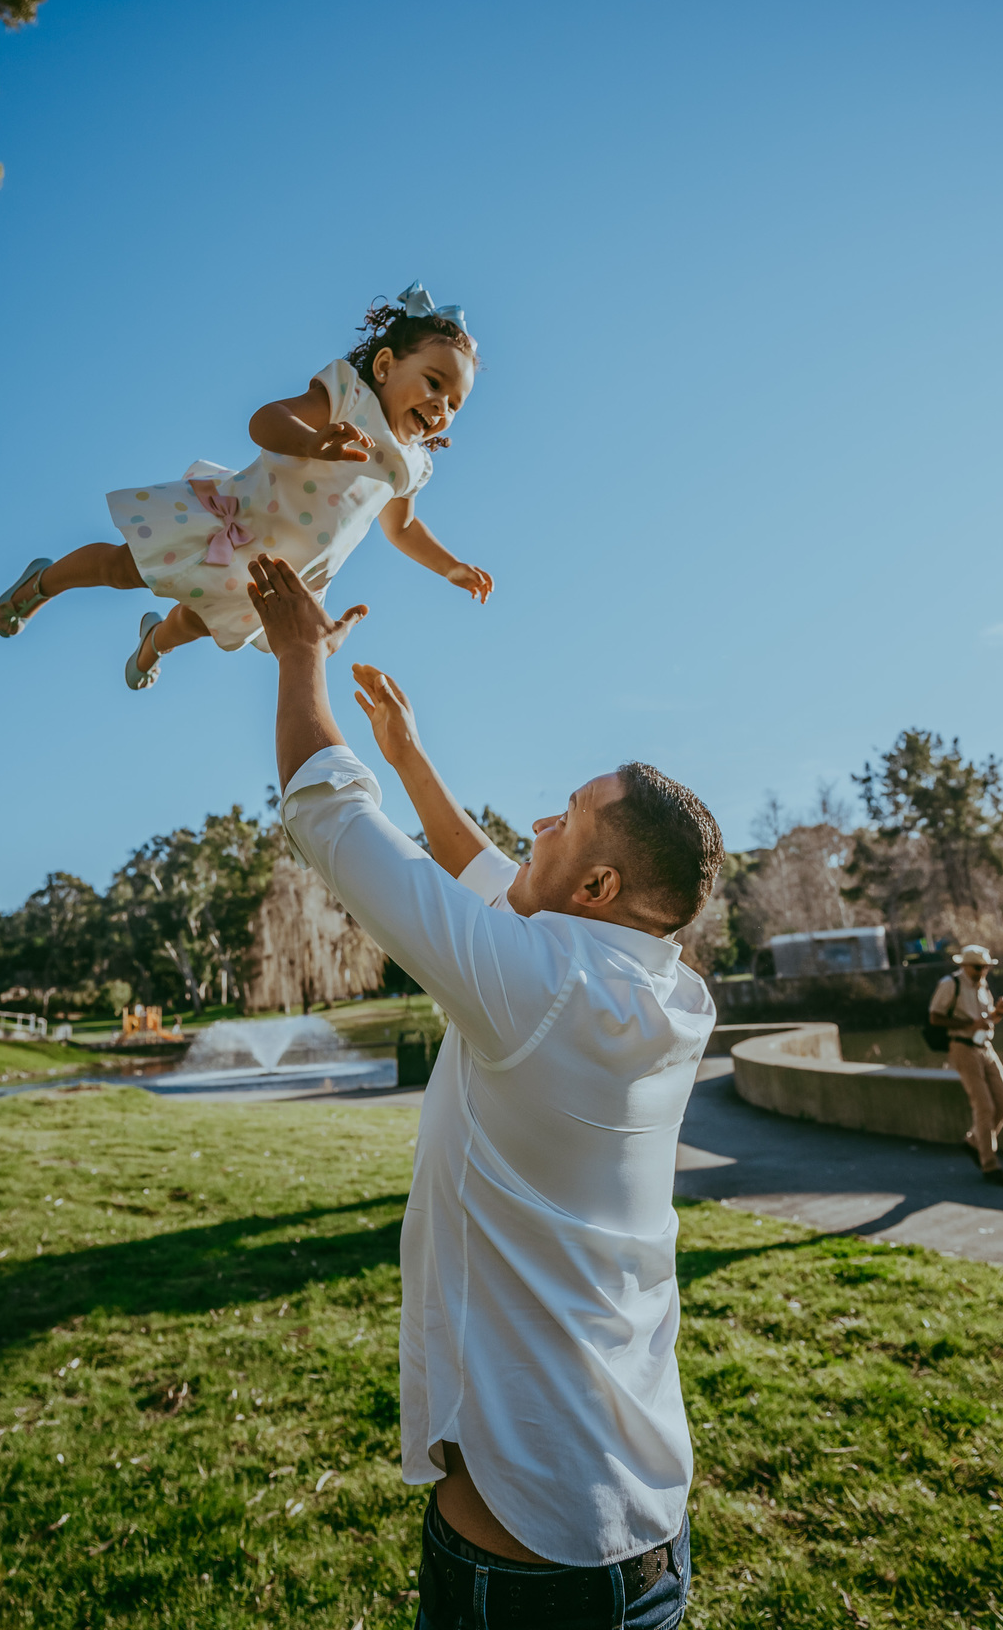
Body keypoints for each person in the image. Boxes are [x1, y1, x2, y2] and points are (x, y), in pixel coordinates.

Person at [246, 552, 724, 1630]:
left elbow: (328, 818)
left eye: (565, 818)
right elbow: (501, 892)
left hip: (530, 1569)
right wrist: (413, 760)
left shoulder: (541, 988)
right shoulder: (664, 991)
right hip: (648, 1527)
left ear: (599, 885)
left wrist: (298, 656)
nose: (538, 826)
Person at [0, 283, 493, 688]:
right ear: (384, 366)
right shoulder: (348, 398)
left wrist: (450, 566)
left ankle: (150, 646)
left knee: (196, 623)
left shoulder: (411, 466)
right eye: (434, 383)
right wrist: (312, 441)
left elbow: (402, 529)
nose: (440, 407)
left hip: (274, 574)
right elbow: (264, 421)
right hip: (233, 524)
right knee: (123, 569)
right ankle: (41, 582)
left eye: (454, 404)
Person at [929, 943, 1003, 1187]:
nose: (982, 971)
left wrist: (999, 1012)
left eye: (986, 967)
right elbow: (934, 1017)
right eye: (978, 967)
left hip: (985, 1047)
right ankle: (990, 1165)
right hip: (962, 1047)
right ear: (965, 966)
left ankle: (973, 1142)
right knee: (984, 1107)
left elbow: (987, 1021)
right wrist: (968, 1025)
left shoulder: (982, 986)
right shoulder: (950, 984)